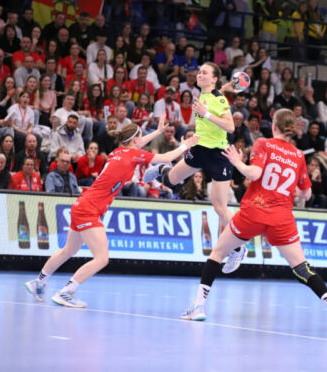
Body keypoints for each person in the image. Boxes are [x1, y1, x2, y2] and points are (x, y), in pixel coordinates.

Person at [180, 109, 327, 330]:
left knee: (217, 253)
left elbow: (254, 174)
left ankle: (198, 307)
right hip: (281, 219)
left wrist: (236, 162)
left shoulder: (263, 143)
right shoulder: (299, 155)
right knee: (302, 268)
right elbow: (307, 195)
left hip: (254, 212)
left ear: (274, 125)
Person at [25, 119, 199, 308]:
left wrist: (157, 132)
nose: (142, 141)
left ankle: (38, 282)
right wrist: (185, 145)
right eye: (140, 137)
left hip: (82, 204)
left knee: (69, 250)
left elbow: (136, 141)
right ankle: (66, 292)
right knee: (102, 258)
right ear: (135, 140)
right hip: (90, 209)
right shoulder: (133, 154)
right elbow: (166, 158)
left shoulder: (117, 152)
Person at [147, 62, 247, 270]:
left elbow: (230, 126)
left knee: (220, 207)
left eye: (204, 72)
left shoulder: (218, 99)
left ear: (213, 78)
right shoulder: (207, 93)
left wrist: (206, 112)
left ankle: (239, 248)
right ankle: (160, 169)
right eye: (199, 71)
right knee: (171, 180)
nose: (199, 75)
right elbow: (219, 90)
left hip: (218, 155)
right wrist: (227, 86)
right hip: (200, 148)